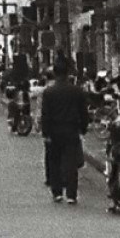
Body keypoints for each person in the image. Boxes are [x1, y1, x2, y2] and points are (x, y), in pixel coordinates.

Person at [38, 61, 90, 204]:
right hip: (71, 130)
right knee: (71, 163)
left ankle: (57, 192)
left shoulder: (49, 92)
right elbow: (83, 112)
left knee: (55, 161)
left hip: (54, 131)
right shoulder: (76, 91)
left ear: (54, 73)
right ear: (68, 73)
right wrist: (83, 128)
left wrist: (46, 133)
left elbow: (46, 114)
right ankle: (71, 195)